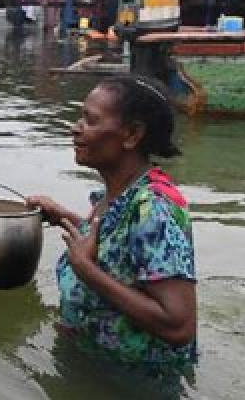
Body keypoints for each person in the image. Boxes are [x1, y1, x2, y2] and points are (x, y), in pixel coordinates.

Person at [26, 75, 197, 372]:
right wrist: (65, 217)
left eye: (90, 121)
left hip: (135, 381)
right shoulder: (120, 196)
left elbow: (179, 326)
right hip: (91, 361)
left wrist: (86, 271)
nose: (75, 129)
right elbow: (119, 250)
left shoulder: (154, 208)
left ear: (132, 135)